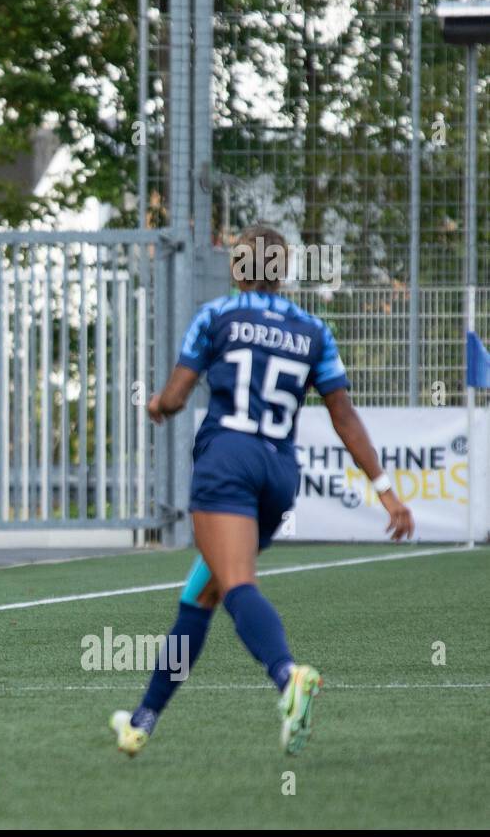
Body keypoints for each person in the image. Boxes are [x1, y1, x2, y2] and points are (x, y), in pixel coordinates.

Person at [111, 224, 414, 757]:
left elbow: (178, 398)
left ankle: (287, 677)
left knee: (237, 587)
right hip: (278, 474)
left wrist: (156, 404)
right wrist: (387, 492)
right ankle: (141, 721)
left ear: (237, 268)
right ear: (284, 271)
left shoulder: (217, 317)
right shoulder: (312, 330)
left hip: (226, 463)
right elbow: (343, 417)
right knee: (200, 595)